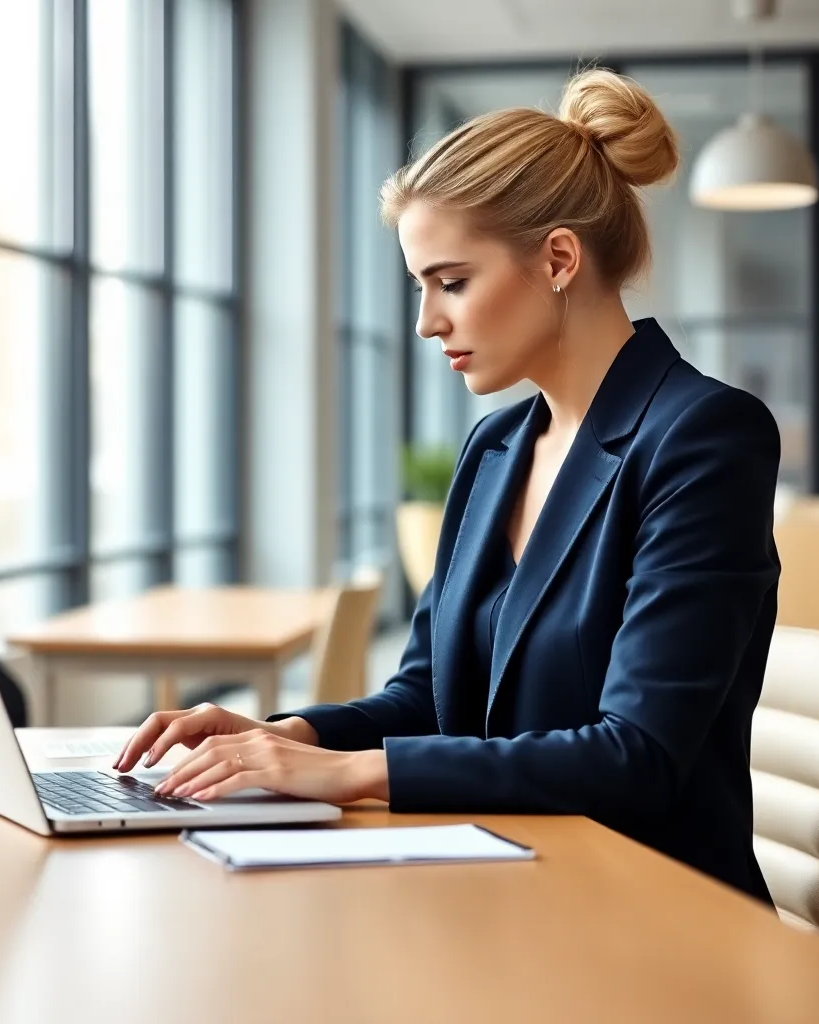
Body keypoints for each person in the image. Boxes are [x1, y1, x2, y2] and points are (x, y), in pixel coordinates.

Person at [114, 69, 779, 905]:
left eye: (452, 281)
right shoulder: (496, 447)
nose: (429, 321)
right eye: (420, 286)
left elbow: (634, 756)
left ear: (559, 260)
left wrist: (344, 774)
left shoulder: (704, 436)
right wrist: (286, 736)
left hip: (648, 908)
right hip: (497, 879)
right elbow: (429, 695)